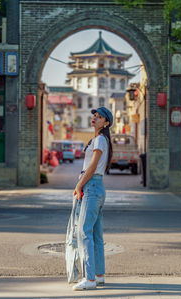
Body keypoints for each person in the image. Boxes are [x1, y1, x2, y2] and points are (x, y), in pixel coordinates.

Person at [72, 107, 113, 291]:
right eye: (94, 116)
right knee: (96, 235)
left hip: (92, 187)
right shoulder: (100, 140)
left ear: (106, 123)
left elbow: (92, 166)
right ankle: (99, 276)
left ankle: (89, 279)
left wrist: (79, 185)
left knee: (84, 232)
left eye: (99, 117)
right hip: (97, 187)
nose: (94, 119)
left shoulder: (99, 140)